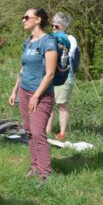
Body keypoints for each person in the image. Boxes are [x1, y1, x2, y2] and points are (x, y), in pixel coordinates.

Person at [8, 7, 57, 181]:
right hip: (24, 91)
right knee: (29, 131)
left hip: (41, 95)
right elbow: (24, 68)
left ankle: (45, 173)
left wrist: (36, 95)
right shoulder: (28, 41)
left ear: (37, 20)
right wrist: (15, 90)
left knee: (38, 133)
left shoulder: (48, 42)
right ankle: (35, 166)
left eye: (26, 17)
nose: (23, 20)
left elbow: (50, 73)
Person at [46, 12, 77, 141]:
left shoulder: (70, 39)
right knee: (48, 104)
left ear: (64, 26)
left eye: (56, 26)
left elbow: (68, 55)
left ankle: (62, 133)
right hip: (50, 75)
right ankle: (47, 132)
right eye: (52, 26)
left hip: (64, 76)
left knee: (62, 105)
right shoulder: (49, 38)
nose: (54, 28)